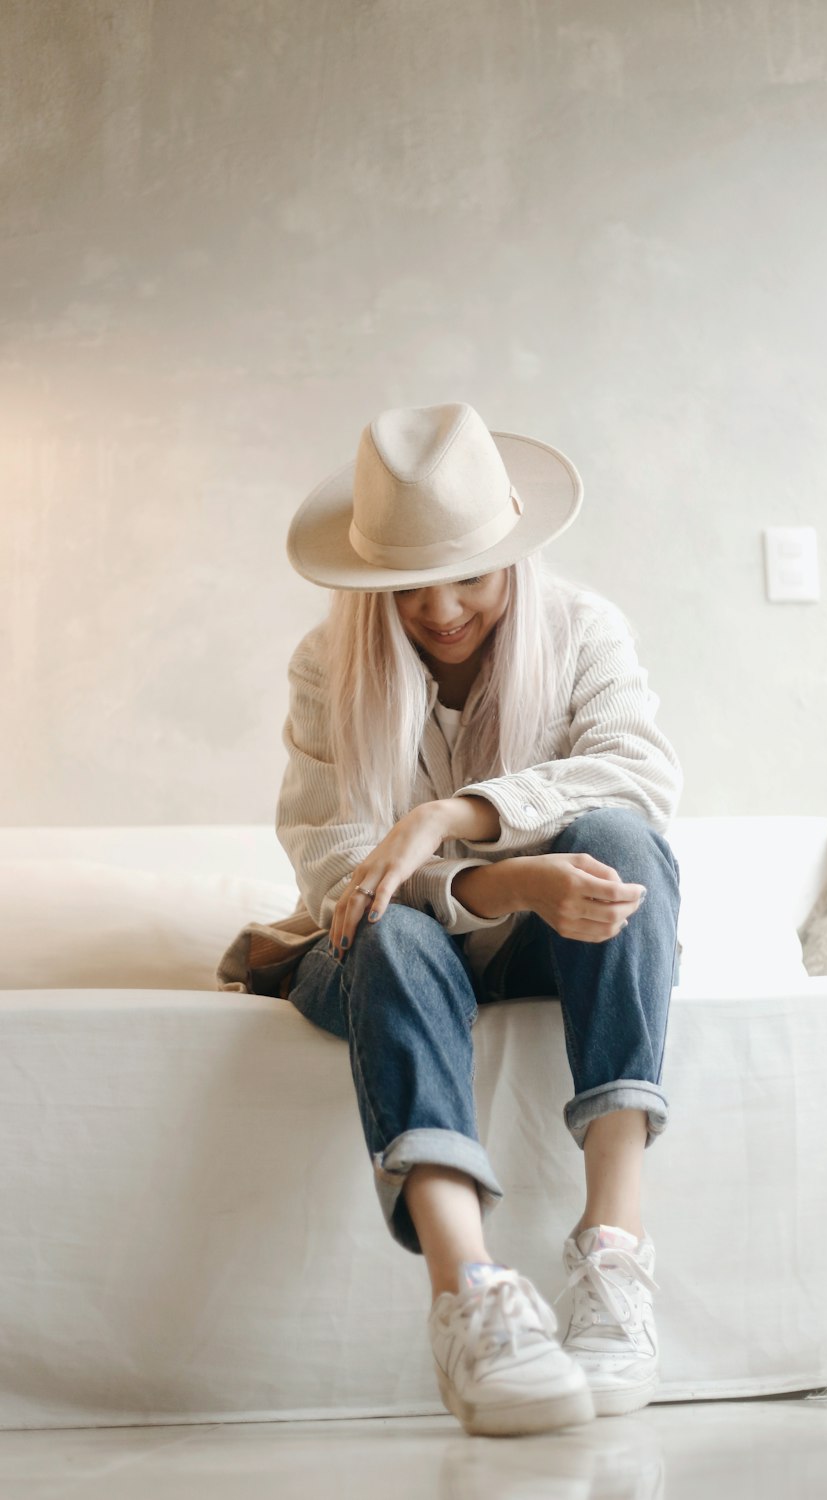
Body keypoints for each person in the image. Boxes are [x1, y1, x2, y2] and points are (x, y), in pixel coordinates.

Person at [278, 401, 683, 1437]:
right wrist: (501, 886)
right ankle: (471, 1295)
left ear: (513, 552)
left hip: (557, 942)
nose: (443, 608)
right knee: (386, 925)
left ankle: (614, 1244)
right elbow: (336, 867)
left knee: (622, 842)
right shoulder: (327, 667)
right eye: (409, 586)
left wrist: (451, 817)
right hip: (389, 949)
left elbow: (638, 778)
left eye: (469, 574)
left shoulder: (584, 628)